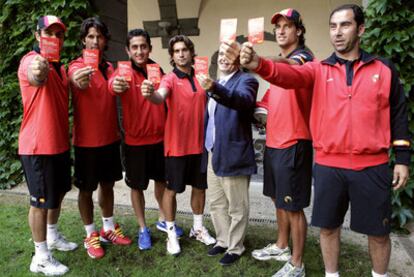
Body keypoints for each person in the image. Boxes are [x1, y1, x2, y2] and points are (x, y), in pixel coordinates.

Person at [222, 4, 410, 277]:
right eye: (333, 26)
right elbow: (288, 75)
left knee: (379, 233)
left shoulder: (383, 68)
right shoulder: (317, 69)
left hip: (373, 165)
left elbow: (399, 115)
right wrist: (258, 65)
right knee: (328, 228)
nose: (337, 32)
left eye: (345, 25)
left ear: (361, 29)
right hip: (328, 165)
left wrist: (402, 159)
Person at [250, 8, 314, 277]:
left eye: (287, 26)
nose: (280, 30)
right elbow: (265, 106)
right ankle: (281, 245)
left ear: (298, 31)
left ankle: (297, 263)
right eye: (277, 26)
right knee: (278, 199)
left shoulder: (303, 59)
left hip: (295, 142)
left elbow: (289, 67)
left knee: (293, 205)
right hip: (274, 143)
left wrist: (259, 61)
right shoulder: (276, 74)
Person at [141, 35, 216, 255]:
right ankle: (171, 233)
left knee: (200, 188)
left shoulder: (202, 77)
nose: (181, 54)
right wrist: (150, 95)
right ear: (172, 56)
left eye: (185, 50)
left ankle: (198, 228)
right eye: (176, 51)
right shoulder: (170, 79)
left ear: (191, 53)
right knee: (171, 190)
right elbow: (159, 96)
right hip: (177, 145)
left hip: (199, 145)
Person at [109, 29, 183, 250]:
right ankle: (143, 229)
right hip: (134, 142)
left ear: (149, 47)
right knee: (137, 187)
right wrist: (116, 86)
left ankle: (163, 219)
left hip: (160, 139)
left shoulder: (156, 69)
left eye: (143, 46)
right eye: (134, 47)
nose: (139, 51)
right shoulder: (122, 71)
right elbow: (113, 85)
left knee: (162, 182)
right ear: (127, 50)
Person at [17, 15, 77, 276]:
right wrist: (38, 68)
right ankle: (40, 257)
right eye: (48, 33)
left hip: (59, 145)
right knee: (40, 202)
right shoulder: (32, 61)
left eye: (59, 34)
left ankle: (51, 236)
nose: (54, 38)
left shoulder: (60, 68)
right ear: (37, 34)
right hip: (37, 146)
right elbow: (35, 75)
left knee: (59, 193)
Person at [68, 17, 131, 260]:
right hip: (85, 142)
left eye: (99, 37)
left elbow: (116, 84)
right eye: (91, 36)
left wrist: (120, 84)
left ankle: (108, 228)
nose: (95, 41)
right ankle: (90, 234)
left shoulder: (109, 68)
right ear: (84, 39)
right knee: (86, 189)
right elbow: (76, 77)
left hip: (109, 138)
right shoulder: (75, 65)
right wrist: (80, 78)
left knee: (108, 185)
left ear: (105, 41)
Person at [197, 49, 258, 266]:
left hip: (234, 154)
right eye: (220, 54)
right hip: (213, 151)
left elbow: (242, 101)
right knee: (216, 202)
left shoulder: (247, 80)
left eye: (229, 54)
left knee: (237, 207)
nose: (223, 57)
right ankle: (223, 240)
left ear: (239, 59)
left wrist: (214, 87)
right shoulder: (216, 82)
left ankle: (236, 247)